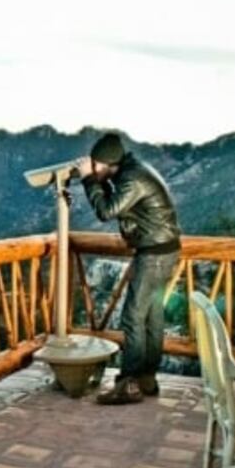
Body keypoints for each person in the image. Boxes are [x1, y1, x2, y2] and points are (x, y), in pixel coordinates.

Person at [75, 132, 181, 405]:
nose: (93, 169)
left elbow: (107, 211)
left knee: (133, 317)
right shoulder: (130, 172)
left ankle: (128, 384)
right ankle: (147, 379)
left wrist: (88, 180)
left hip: (155, 255)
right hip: (163, 250)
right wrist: (97, 177)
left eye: (96, 165)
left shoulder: (132, 179)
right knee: (151, 317)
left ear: (109, 163)